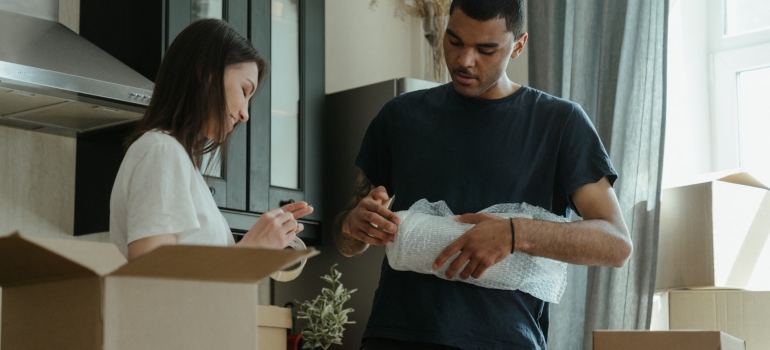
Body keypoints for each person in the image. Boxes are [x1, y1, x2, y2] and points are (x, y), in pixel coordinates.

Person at [332, 0, 633, 349]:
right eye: (455, 41)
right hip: (395, 336)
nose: (464, 61)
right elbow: (347, 244)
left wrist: (514, 233)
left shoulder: (561, 123)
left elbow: (616, 244)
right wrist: (352, 225)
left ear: (518, 46)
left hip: (504, 340)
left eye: (486, 49)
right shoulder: (400, 117)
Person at [110, 18, 312, 260]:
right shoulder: (161, 150)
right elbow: (151, 277)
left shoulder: (179, 161)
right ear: (206, 74)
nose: (245, 114)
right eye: (244, 91)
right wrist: (251, 250)